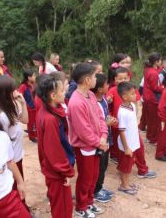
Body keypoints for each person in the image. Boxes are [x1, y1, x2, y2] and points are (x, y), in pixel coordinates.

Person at [67, 63, 108, 218]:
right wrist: (100, 142)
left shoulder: (90, 95)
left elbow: (100, 117)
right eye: (94, 76)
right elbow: (83, 132)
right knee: (85, 177)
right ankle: (81, 207)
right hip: (85, 146)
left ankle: (89, 202)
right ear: (86, 80)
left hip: (97, 143)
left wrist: (103, 135)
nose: (96, 79)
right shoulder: (76, 102)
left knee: (94, 175)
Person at [35, 75, 75, 218]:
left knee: (59, 203)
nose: (65, 93)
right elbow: (54, 150)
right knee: (63, 208)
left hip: (53, 169)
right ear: (53, 95)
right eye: (63, 91)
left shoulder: (47, 111)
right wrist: (66, 171)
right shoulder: (50, 119)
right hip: (57, 172)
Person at [106, 67, 156, 179]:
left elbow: (138, 104)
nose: (123, 80)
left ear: (129, 77)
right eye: (120, 78)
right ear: (115, 79)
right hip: (117, 126)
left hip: (131, 127)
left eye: (125, 77)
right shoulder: (113, 90)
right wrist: (109, 102)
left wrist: (137, 119)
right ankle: (123, 170)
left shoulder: (132, 90)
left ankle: (142, 170)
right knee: (122, 150)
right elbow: (107, 105)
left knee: (139, 148)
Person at [0, 75, 28, 186]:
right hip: (11, 161)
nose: (17, 92)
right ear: (4, 94)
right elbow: (2, 145)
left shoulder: (11, 106)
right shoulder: (1, 116)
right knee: (15, 186)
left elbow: (25, 120)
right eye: (13, 90)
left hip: (17, 155)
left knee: (20, 184)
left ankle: (22, 203)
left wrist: (23, 103)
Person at [91, 73, 116, 203]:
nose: (109, 86)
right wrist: (107, 123)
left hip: (107, 135)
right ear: (100, 89)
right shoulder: (93, 103)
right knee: (99, 165)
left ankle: (100, 186)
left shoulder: (104, 98)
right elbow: (94, 124)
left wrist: (109, 120)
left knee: (105, 163)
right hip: (99, 139)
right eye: (107, 84)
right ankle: (95, 190)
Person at [116, 81, 141, 195]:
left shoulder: (131, 106)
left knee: (129, 164)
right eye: (132, 94)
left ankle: (127, 183)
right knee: (124, 166)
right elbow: (121, 131)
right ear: (125, 97)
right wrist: (126, 147)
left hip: (133, 142)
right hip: (126, 145)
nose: (135, 95)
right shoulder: (122, 112)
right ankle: (123, 185)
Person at [143, 52, 164, 145]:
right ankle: (153, 139)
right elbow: (155, 87)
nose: (161, 62)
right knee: (155, 120)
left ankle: (149, 137)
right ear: (156, 62)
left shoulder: (148, 69)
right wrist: (163, 88)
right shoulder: (153, 73)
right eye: (160, 60)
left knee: (150, 119)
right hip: (152, 98)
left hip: (147, 97)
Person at [18, 69, 38, 143]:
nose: (35, 77)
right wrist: (25, 105)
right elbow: (19, 96)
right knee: (31, 123)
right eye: (34, 75)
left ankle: (36, 135)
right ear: (29, 77)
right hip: (29, 108)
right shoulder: (23, 86)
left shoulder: (34, 84)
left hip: (35, 107)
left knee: (36, 122)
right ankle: (32, 136)